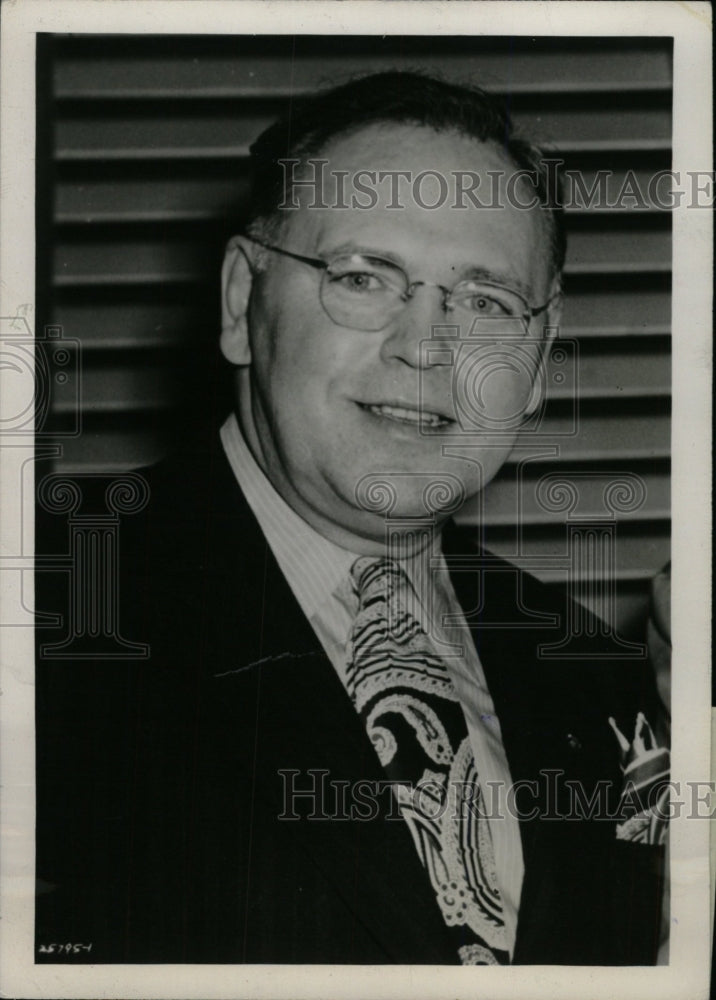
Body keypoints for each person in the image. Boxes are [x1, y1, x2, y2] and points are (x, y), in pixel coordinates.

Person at [35, 71, 667, 966]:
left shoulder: (599, 678)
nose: (426, 346)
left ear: (538, 361)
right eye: (366, 277)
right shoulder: (44, 608)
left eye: (485, 302)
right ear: (237, 300)